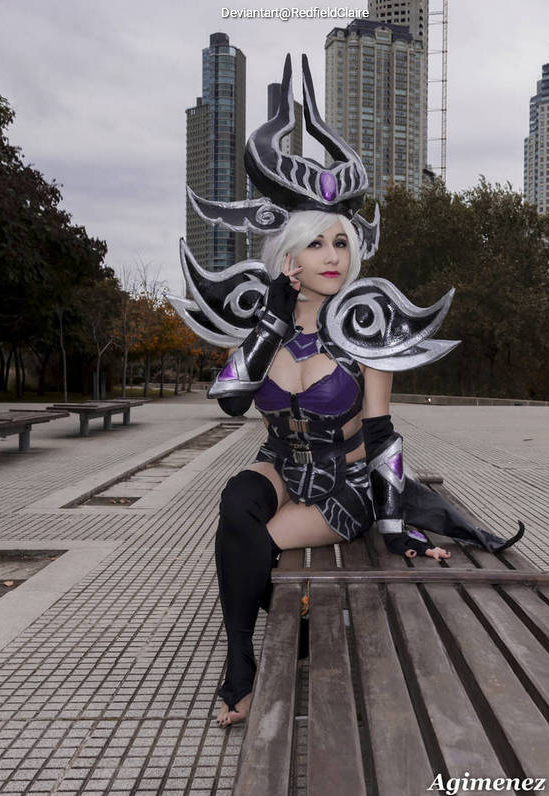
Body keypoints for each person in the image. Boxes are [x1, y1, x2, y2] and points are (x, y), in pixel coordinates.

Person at [167, 54, 524, 728]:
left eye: (342, 243)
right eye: (319, 244)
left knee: (257, 540)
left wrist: (394, 526)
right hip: (282, 467)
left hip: (346, 483)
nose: (335, 255)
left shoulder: (368, 327)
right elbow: (228, 400)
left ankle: (242, 667)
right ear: (289, 257)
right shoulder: (265, 325)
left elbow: (384, 432)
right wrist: (271, 321)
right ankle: (256, 650)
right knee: (235, 500)